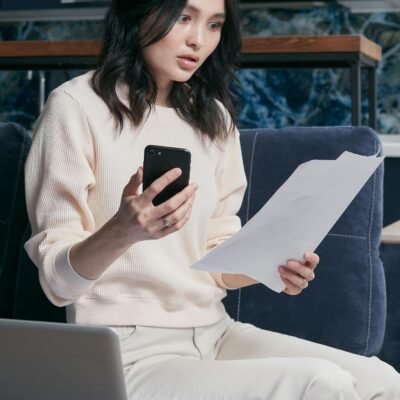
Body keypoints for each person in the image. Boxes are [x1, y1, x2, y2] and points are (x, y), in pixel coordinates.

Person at [24, 0, 400, 399]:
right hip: (123, 350)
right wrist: (122, 231)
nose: (198, 40)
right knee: (323, 383)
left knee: (384, 381)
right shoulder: (75, 107)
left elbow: (217, 261)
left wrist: (273, 267)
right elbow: (56, 282)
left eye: (215, 24)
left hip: (214, 332)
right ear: (140, 14)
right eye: (184, 18)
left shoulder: (214, 119)